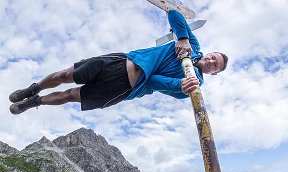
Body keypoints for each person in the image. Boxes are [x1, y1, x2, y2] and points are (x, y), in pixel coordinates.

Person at [9, 10, 228, 115]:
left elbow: (153, 83)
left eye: (214, 64)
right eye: (212, 56)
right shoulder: (193, 45)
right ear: (209, 53)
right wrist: (182, 38)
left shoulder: (193, 84)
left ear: (214, 73)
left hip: (123, 88)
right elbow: (173, 14)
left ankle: (34, 102)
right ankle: (33, 88)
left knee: (70, 96)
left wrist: (178, 85)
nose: (210, 61)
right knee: (64, 75)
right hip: (119, 62)